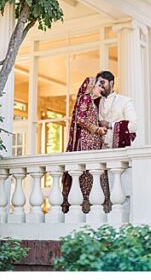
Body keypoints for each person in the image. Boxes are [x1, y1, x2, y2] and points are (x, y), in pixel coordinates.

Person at [61, 77, 111, 213]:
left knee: (95, 172)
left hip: (93, 142)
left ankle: (96, 205)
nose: (101, 89)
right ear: (91, 87)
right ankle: (86, 206)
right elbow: (80, 119)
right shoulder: (85, 98)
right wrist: (97, 129)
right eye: (98, 86)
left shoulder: (92, 102)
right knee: (88, 173)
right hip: (86, 143)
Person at [93, 71, 140, 148]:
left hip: (118, 152)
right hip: (98, 151)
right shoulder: (95, 103)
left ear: (111, 83)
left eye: (102, 82)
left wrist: (109, 124)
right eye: (98, 83)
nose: (100, 86)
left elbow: (134, 126)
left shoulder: (125, 101)